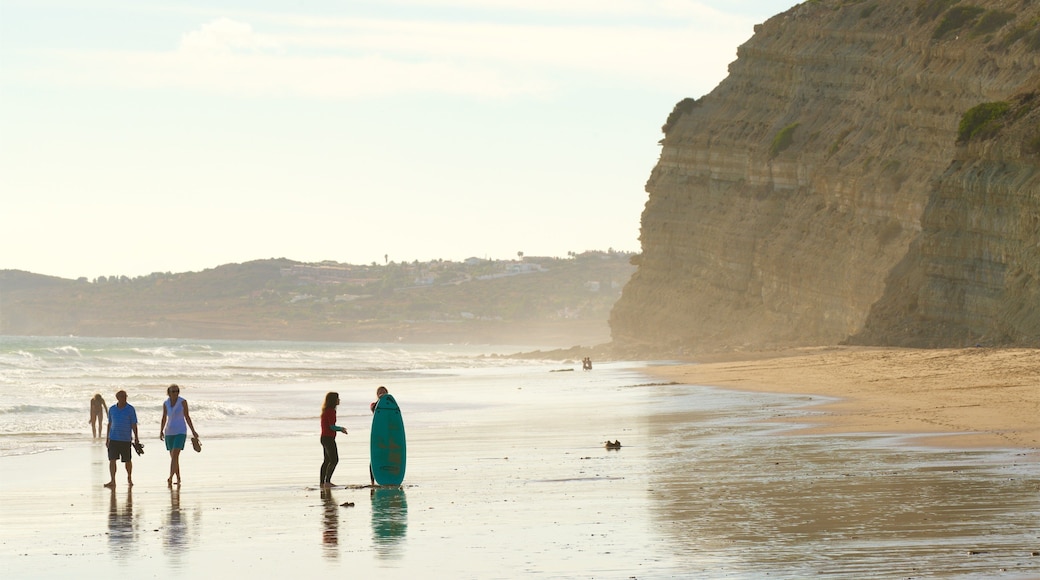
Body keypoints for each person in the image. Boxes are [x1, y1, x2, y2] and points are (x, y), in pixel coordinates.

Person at [159, 383, 199, 486]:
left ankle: (170, 478)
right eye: (173, 391)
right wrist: (161, 431)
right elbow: (164, 417)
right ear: (169, 393)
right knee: (173, 457)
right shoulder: (166, 403)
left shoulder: (183, 402)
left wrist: (193, 431)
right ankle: (178, 477)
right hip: (169, 432)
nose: (175, 393)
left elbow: (187, 417)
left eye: (177, 391)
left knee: (175, 455)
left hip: (180, 431)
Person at [104, 390, 140, 489]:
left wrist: (136, 437)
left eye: (125, 396)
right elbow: (109, 424)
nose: (123, 398)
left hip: (125, 439)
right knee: (112, 460)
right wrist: (107, 438)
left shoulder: (130, 409)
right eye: (121, 397)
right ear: (117, 398)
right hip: (113, 438)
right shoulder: (112, 409)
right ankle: (112, 480)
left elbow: (134, 424)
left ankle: (129, 477)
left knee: (127, 460)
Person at [320, 392, 347, 488]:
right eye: (337, 398)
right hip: (328, 438)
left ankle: (322, 482)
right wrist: (341, 429)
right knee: (334, 459)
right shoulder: (331, 411)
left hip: (324, 438)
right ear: (333, 400)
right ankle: (327, 481)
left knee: (327, 461)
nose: (339, 400)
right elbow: (332, 426)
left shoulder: (326, 410)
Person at [369, 386, 388, 485]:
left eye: (384, 392)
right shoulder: (373, 404)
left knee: (387, 456)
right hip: (378, 434)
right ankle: (372, 481)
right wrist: (379, 401)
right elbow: (374, 409)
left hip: (388, 434)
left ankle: (387, 477)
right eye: (380, 392)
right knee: (375, 456)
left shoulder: (390, 405)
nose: (382, 393)